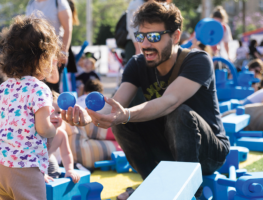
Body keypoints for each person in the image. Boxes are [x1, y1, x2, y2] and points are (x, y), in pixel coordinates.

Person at [61, 2, 230, 199]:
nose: (145, 44)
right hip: (168, 146)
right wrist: (88, 117)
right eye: (141, 37)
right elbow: (116, 104)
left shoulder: (198, 60)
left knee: (177, 112)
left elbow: (170, 101)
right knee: (122, 121)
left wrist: (126, 114)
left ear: (175, 36)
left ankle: (190, 194)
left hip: (209, 153)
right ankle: (153, 185)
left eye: (154, 37)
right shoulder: (137, 64)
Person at [0, 15, 59, 200]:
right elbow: (43, 128)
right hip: (22, 167)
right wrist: (54, 127)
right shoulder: (39, 88)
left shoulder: (3, 87)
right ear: (43, 58)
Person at [26, 0, 77, 93]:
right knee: (35, 87)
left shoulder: (59, 2)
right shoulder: (31, 3)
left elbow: (68, 28)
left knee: (51, 89)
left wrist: (64, 52)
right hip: (34, 55)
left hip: (53, 54)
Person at [44, 91, 80, 183]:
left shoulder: (61, 134)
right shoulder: (36, 133)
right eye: (50, 112)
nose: (55, 116)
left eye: (58, 112)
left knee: (56, 172)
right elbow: (31, 156)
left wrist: (69, 170)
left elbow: (66, 154)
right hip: (29, 162)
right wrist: (40, 174)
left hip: (48, 159)